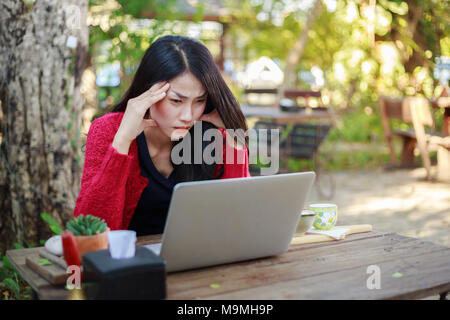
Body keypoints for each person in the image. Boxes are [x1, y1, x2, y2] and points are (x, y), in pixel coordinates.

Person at [73, 35, 251, 235]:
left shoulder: (210, 133)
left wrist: (235, 141)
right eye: (176, 101)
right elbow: (89, 232)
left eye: (199, 101)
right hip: (127, 262)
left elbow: (236, 221)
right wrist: (122, 142)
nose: (188, 116)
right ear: (149, 92)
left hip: (196, 260)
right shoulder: (110, 130)